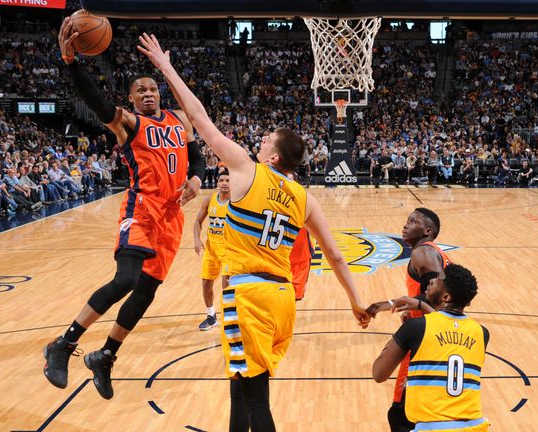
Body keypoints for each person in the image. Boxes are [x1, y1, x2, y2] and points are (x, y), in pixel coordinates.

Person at [138, 33, 370, 431]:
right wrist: (355, 301)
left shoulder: (247, 169)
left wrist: (166, 68)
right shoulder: (304, 198)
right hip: (283, 300)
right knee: (239, 384)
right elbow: (333, 255)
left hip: (249, 296)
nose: (259, 141)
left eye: (266, 140)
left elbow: (198, 118)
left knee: (255, 397)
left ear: (274, 156)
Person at [42, 18, 205, 400]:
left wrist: (196, 180)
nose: (148, 93)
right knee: (126, 280)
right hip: (141, 208)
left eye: (152, 88)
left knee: (145, 293)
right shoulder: (128, 123)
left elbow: (196, 158)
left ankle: (106, 356)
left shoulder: (179, 122)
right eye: (140, 90)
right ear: (131, 99)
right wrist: (71, 63)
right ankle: (63, 344)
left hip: (171, 217)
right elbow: (97, 102)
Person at [373, 263, 490, 432]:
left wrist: (398, 337)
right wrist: (422, 307)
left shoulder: (415, 328)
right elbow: (446, 328)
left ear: (446, 297)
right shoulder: (482, 332)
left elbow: (378, 374)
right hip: (476, 426)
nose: (431, 281)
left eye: (438, 279)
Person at [365, 208, 452, 432]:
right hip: (439, 333)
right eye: (407, 221)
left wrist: (414, 310)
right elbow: (431, 296)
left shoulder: (422, 253)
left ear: (427, 230)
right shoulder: (434, 252)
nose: (405, 226)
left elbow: (437, 298)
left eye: (412, 222)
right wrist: (389, 305)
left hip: (425, 338)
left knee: (401, 414)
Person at [193, 168, 231, 330]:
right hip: (211, 248)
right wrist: (197, 239)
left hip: (230, 249)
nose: (224, 183)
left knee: (227, 285)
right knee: (206, 283)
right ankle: (211, 316)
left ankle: (231, 318)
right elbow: (197, 222)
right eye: (221, 180)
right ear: (217, 182)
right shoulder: (210, 199)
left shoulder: (238, 201)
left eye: (228, 180)